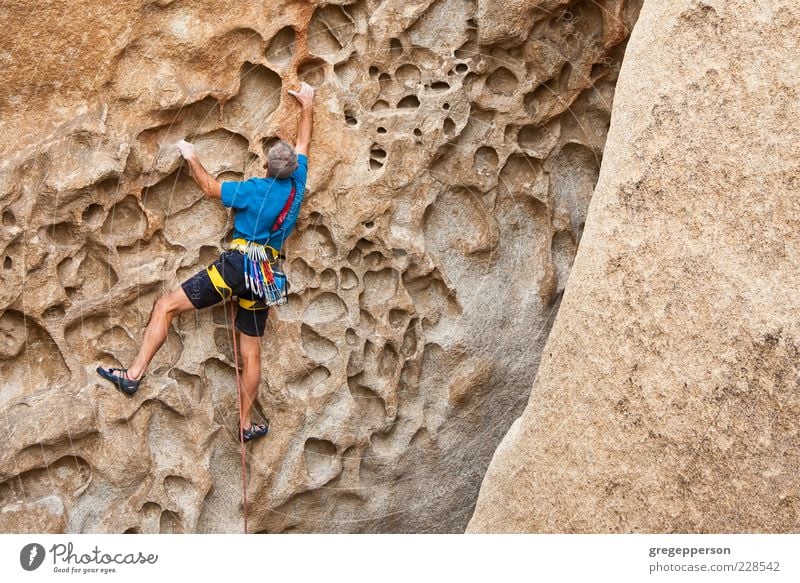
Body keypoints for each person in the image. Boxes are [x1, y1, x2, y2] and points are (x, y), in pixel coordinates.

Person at [97, 82, 315, 443]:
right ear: (292, 167)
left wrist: (190, 156)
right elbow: (304, 143)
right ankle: (245, 425)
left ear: (266, 164)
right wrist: (308, 104)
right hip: (265, 277)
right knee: (251, 352)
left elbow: (212, 190)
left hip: (237, 267)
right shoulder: (297, 183)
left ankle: (133, 375)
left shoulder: (254, 190)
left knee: (166, 306)